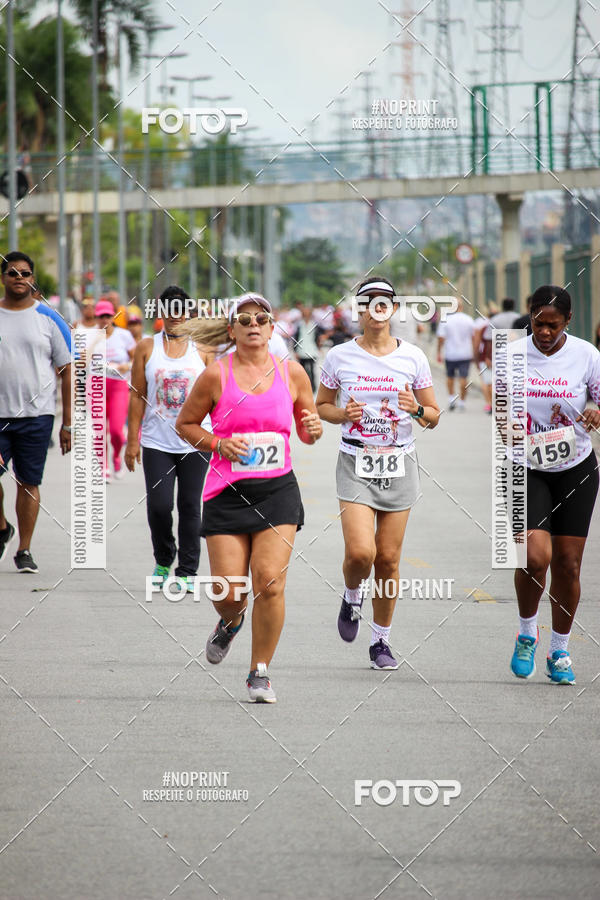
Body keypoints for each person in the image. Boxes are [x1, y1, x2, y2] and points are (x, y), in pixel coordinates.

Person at [176, 293, 322, 703]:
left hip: (277, 491)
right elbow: (185, 424)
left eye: (261, 319)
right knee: (228, 594)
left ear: (272, 328)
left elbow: (307, 431)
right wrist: (218, 444)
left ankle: (260, 672)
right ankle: (230, 622)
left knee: (270, 582)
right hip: (226, 493)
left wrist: (313, 428)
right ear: (232, 329)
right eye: (245, 319)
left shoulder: (292, 372)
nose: (253, 324)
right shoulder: (215, 375)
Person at [316, 276, 440, 669]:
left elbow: (433, 416)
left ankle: (380, 642)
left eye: (383, 301)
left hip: (399, 463)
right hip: (356, 460)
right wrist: (343, 414)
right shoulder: (339, 356)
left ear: (393, 308)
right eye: (367, 302)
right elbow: (322, 406)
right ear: (359, 310)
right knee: (360, 553)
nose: (376, 308)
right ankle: (352, 594)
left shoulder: (413, 357)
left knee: (387, 559)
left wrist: (415, 409)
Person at [507, 285, 600, 685]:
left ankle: (559, 650)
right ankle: (527, 634)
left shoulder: (587, 355)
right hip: (525, 466)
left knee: (568, 563)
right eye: (538, 323)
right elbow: (502, 412)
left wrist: (595, 410)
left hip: (575, 466)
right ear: (529, 316)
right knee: (534, 557)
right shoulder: (511, 355)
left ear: (568, 322)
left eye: (553, 325)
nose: (544, 332)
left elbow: (598, 399)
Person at [125, 286, 213, 590]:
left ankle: (187, 570)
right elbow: (137, 395)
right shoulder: (146, 347)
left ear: (189, 313)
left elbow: (218, 395)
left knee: (190, 505)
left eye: (181, 309)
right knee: (159, 506)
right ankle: (164, 558)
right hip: (156, 441)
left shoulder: (203, 348)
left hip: (196, 441)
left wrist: (221, 438)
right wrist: (132, 441)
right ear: (161, 312)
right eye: (169, 309)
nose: (175, 315)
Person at [0, 251, 72, 573]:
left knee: (28, 482)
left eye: (25, 273)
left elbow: (67, 369)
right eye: (12, 273)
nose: (19, 278)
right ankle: (3, 528)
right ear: (3, 278)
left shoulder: (49, 318)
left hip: (37, 416)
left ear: (33, 278)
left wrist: (67, 424)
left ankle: (24, 549)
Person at [93, 299, 135, 481]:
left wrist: (128, 365)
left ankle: (116, 455)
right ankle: (103, 466)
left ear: (113, 317)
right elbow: (80, 363)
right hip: (96, 385)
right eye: (101, 316)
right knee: (99, 429)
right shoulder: (90, 336)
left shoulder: (124, 335)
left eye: (107, 316)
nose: (104, 319)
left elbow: (136, 359)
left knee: (117, 431)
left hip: (118, 386)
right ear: (96, 317)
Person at [436, 298, 475, 410]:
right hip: (465, 353)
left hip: (450, 354)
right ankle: (462, 402)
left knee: (450, 377)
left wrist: (439, 352)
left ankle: (451, 399)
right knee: (464, 378)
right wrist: (474, 352)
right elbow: (473, 337)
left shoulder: (446, 320)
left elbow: (441, 338)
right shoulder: (469, 320)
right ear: (462, 307)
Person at [292, 305, 320, 391]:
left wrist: (318, 348)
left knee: (312, 370)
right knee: (302, 371)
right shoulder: (299, 325)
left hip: (312, 350)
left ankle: (313, 388)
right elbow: (296, 338)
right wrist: (295, 351)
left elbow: (317, 338)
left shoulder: (314, 325)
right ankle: (303, 387)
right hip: (301, 350)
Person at [472, 304, 493, 413]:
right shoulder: (495, 324)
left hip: (485, 357)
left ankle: (489, 403)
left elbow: (476, 343)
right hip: (498, 357)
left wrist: (475, 357)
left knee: (486, 381)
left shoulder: (481, 326)